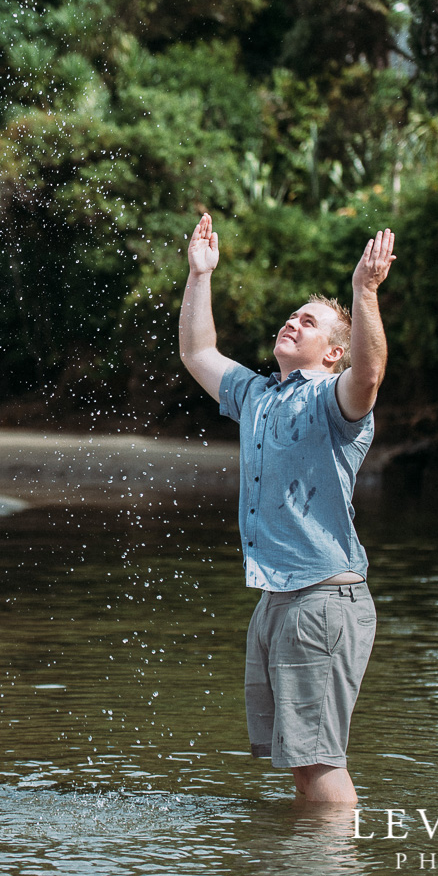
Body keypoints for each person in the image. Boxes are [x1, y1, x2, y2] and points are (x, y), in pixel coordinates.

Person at [178, 213, 396, 803]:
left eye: (309, 321)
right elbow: (198, 351)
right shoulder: (256, 395)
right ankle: (300, 873)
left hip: (324, 599)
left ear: (332, 354)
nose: (291, 322)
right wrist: (201, 275)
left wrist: (364, 294)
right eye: (291, 315)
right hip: (279, 599)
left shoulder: (335, 402)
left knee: (320, 762)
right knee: (299, 764)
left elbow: (370, 375)